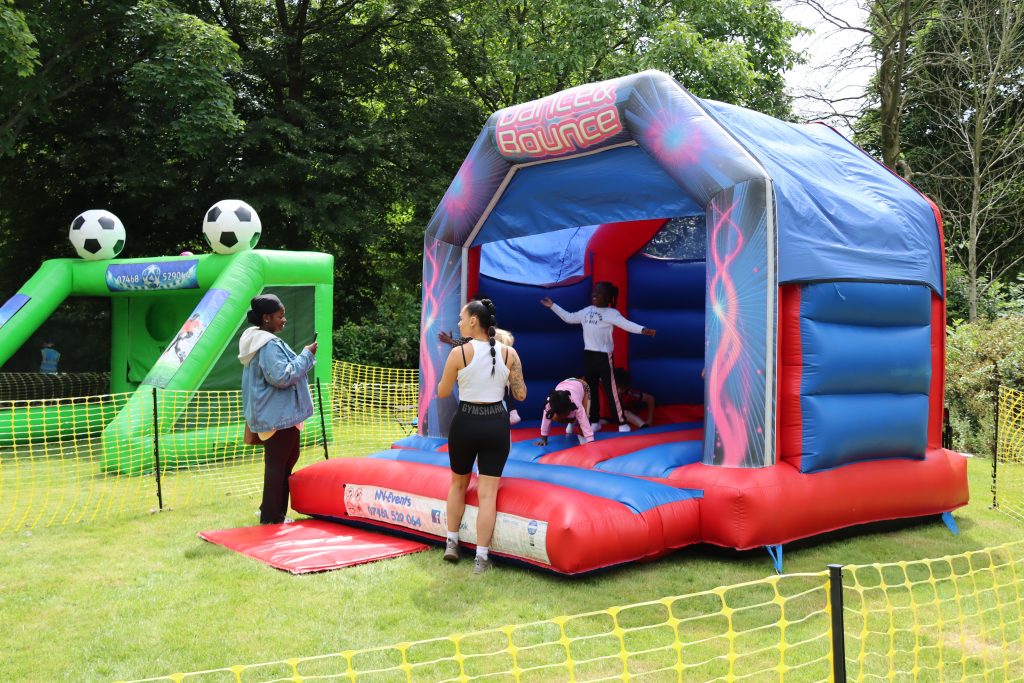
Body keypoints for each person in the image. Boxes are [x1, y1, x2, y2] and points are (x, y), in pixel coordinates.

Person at [437, 298, 526, 574]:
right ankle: (481, 558)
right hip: (496, 425)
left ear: (474, 320)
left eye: (462, 318)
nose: (459, 323)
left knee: (458, 484)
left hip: (466, 422)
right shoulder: (510, 354)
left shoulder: (459, 354)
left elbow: (442, 391)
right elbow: (521, 394)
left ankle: (452, 543)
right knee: (488, 495)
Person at [238, 294, 317, 525]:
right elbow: (282, 376)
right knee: (279, 465)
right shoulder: (268, 344)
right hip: (278, 417)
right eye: (280, 316)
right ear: (266, 318)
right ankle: (272, 517)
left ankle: (272, 512)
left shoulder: (260, 342)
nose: (284, 320)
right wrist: (306, 355)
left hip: (275, 415)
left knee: (282, 462)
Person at [541, 281, 656, 432]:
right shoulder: (587, 311)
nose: (595, 296)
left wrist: (643, 330)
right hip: (589, 355)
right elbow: (569, 317)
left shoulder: (611, 313)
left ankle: (621, 423)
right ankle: (594, 421)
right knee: (591, 391)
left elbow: (626, 324)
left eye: (600, 294)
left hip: (604, 357)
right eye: (594, 293)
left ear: (608, 297)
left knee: (611, 391)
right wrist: (553, 306)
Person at [439, 326, 522, 425]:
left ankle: (513, 412)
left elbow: (443, 391)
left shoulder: (481, 351)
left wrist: (451, 341)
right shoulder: (504, 360)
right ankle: (513, 411)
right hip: (499, 411)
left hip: (482, 413)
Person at [535, 378, 594, 446]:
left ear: (570, 407)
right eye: (561, 414)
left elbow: (584, 422)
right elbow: (546, 419)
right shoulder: (549, 404)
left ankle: (580, 432)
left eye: (565, 413)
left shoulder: (576, 404)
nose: (563, 417)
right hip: (567, 383)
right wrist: (543, 438)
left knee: (584, 415)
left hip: (583, 386)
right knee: (557, 417)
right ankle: (572, 422)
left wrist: (590, 441)